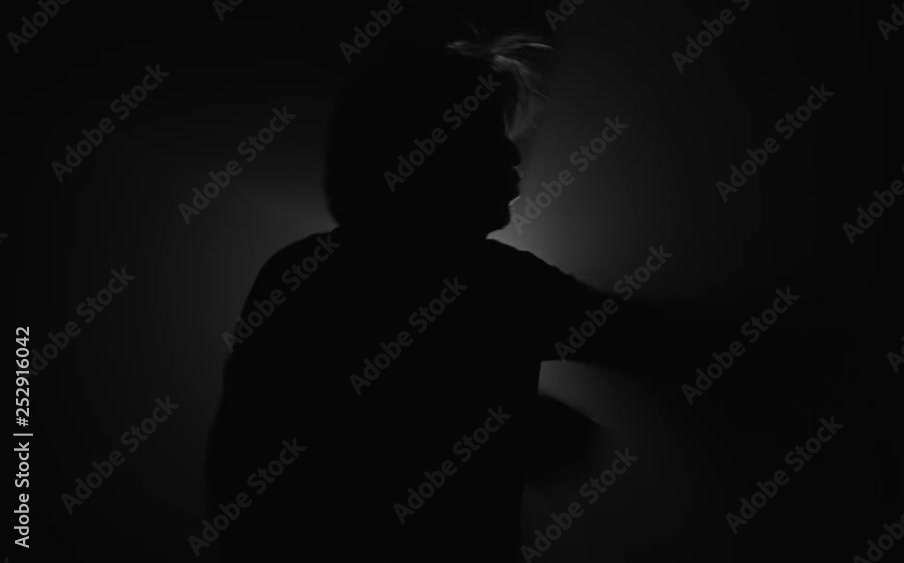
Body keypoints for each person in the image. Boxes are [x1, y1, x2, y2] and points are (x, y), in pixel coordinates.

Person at [206, 33, 680, 561]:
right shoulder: (499, 285)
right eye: (487, 134)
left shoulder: (297, 274)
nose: (511, 153)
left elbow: (243, 475)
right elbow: (657, 342)